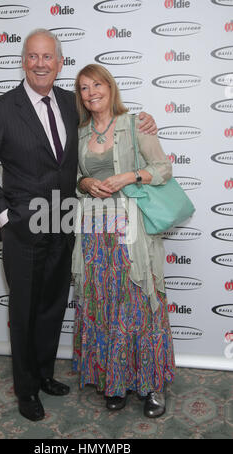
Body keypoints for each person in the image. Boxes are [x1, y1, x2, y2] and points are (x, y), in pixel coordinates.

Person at [0, 29, 158, 422]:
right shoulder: (2, 108)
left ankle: (44, 374)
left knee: (53, 307)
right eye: (33, 56)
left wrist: (145, 124)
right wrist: (6, 219)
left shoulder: (71, 103)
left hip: (67, 224)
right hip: (24, 228)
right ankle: (26, 390)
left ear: (59, 63)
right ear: (23, 61)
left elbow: (108, 125)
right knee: (23, 311)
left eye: (48, 57)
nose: (40, 64)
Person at [72, 64, 175, 418]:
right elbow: (76, 177)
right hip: (94, 235)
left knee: (140, 308)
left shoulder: (135, 125)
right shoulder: (81, 133)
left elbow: (163, 168)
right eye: (84, 88)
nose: (91, 93)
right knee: (104, 307)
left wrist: (129, 176)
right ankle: (114, 383)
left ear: (110, 87)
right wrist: (86, 184)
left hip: (133, 238)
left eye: (96, 84)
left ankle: (151, 387)